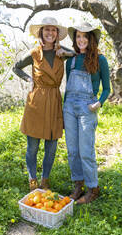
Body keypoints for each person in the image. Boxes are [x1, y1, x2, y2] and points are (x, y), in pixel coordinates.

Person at [12, 17, 73, 191]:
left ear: (57, 35)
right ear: (41, 32)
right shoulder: (34, 53)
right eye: (47, 29)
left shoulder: (61, 51)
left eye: (54, 30)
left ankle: (45, 179)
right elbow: (16, 67)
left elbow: (77, 54)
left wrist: (64, 52)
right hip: (36, 101)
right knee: (32, 146)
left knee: (51, 146)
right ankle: (32, 178)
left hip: (54, 99)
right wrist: (28, 78)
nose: (50, 33)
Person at [63, 22, 110, 204]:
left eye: (85, 36)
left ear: (91, 39)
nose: (81, 39)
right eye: (78, 36)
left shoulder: (100, 60)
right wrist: (64, 108)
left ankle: (93, 188)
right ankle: (78, 186)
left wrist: (99, 103)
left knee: (85, 151)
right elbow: (68, 88)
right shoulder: (72, 61)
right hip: (69, 108)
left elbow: (106, 88)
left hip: (87, 109)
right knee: (72, 151)